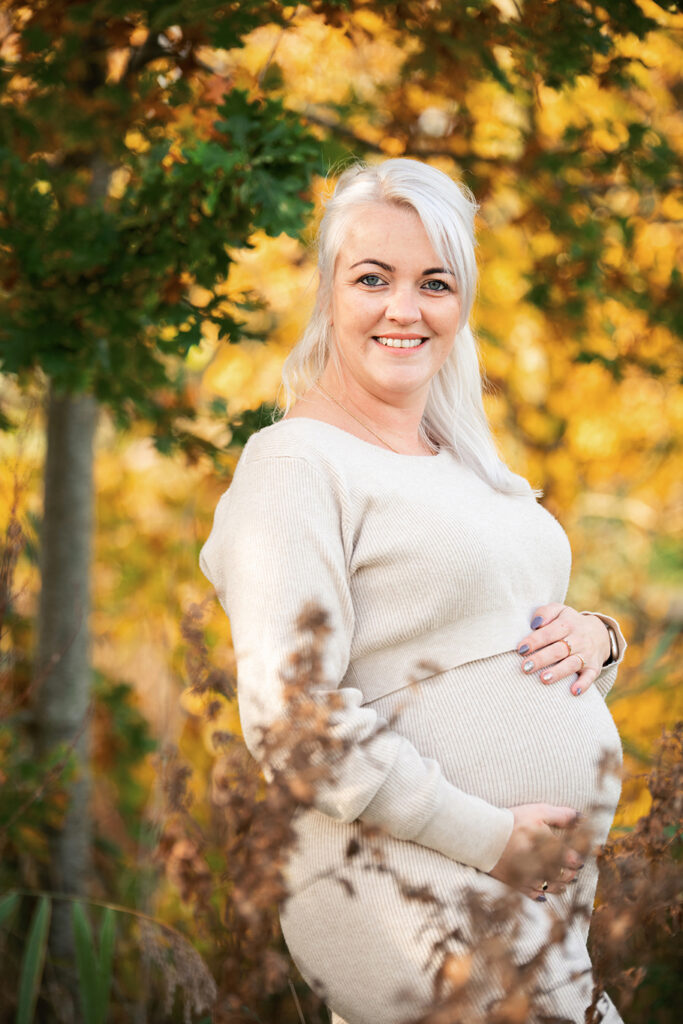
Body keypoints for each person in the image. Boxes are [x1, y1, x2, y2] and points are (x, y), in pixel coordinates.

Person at [199, 159, 627, 1024]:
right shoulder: (295, 464)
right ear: (326, 292)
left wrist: (598, 638)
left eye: (434, 282)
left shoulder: (468, 464)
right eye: (373, 279)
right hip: (410, 882)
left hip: (524, 897)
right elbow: (292, 722)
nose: (405, 308)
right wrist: (490, 837)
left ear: (460, 301)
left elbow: (505, 646)